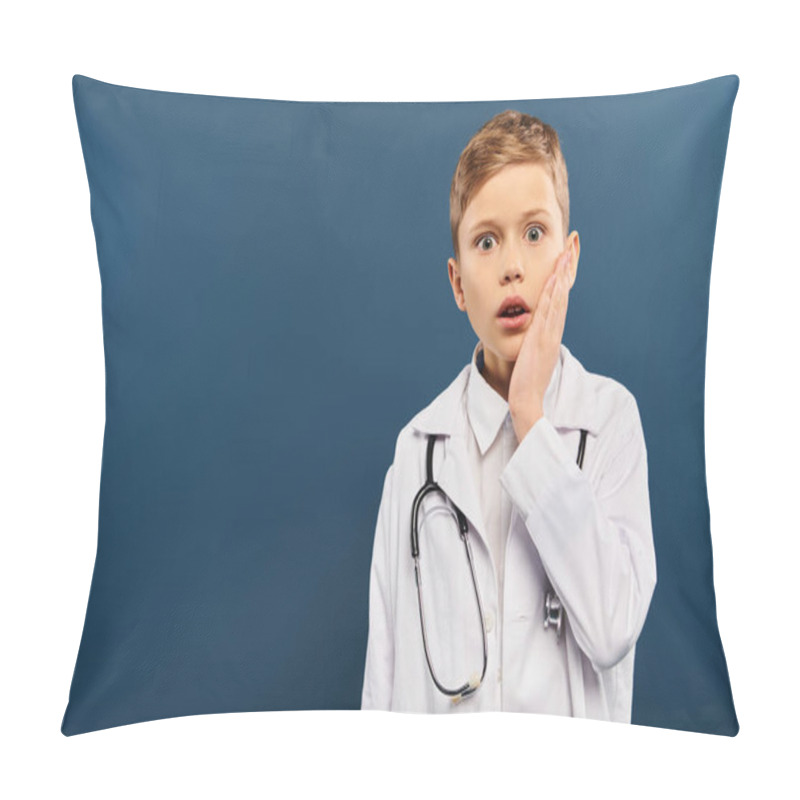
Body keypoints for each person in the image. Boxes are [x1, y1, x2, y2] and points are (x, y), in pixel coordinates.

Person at [360, 110, 657, 722]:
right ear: (458, 284)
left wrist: (529, 416)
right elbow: (382, 681)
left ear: (568, 260)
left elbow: (611, 630)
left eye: (534, 233)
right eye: (486, 241)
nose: (512, 266)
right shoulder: (418, 449)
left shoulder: (610, 421)